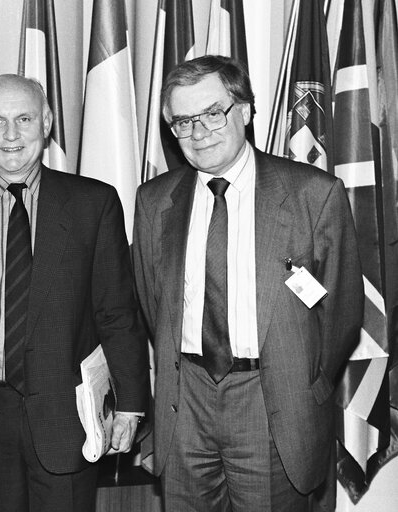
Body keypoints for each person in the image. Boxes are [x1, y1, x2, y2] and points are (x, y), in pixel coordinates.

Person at [0, 74, 149, 512]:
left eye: (24, 118)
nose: (12, 135)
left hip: (67, 422)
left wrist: (130, 404)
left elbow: (117, 314)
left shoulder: (94, 205)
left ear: (47, 122)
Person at [132, 55, 363, 511]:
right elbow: (150, 301)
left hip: (271, 401)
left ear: (245, 111)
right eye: (183, 122)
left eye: (212, 113)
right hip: (186, 403)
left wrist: (309, 384)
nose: (199, 133)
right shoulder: (154, 201)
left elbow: (341, 314)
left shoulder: (313, 195)